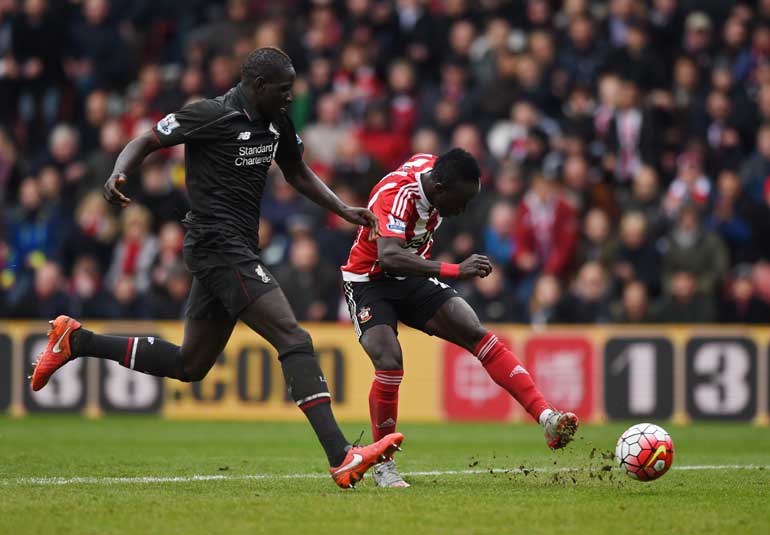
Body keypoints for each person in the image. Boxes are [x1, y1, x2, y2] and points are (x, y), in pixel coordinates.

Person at [31, 47, 402, 489]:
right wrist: (118, 172)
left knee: (191, 365)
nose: (290, 97)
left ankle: (75, 341)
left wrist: (343, 208)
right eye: (284, 90)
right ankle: (341, 456)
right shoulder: (210, 114)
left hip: (236, 248)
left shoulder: (276, 120)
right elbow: (146, 140)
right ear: (259, 86)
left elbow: (297, 171)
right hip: (215, 245)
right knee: (293, 337)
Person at [340, 150, 578, 488]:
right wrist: (454, 270)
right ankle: (383, 464)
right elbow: (389, 256)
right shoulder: (397, 195)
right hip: (369, 281)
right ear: (439, 188)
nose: (462, 210)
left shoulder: (436, 169)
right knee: (389, 359)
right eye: (460, 201)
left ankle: (547, 418)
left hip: (411, 277)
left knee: (474, 330)